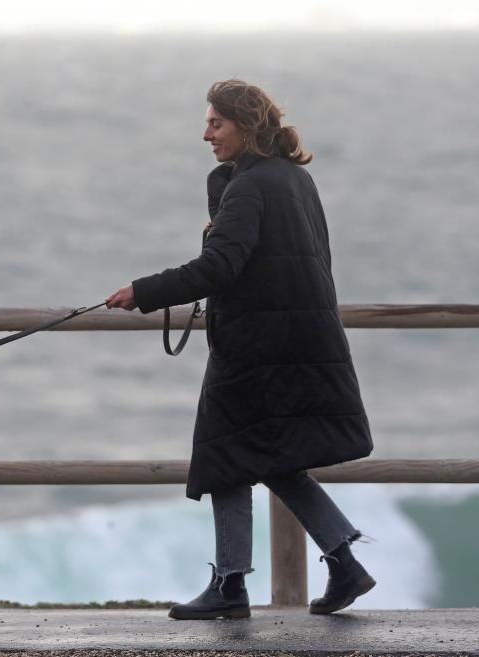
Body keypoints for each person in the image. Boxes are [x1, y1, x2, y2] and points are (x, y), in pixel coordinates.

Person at [105, 79, 376, 620]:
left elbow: (220, 267)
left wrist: (144, 291)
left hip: (256, 350)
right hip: (294, 341)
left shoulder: (250, 187)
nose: (206, 134)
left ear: (245, 127)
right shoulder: (295, 179)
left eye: (216, 123)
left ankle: (232, 587)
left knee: (226, 457)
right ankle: (343, 562)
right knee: (271, 459)